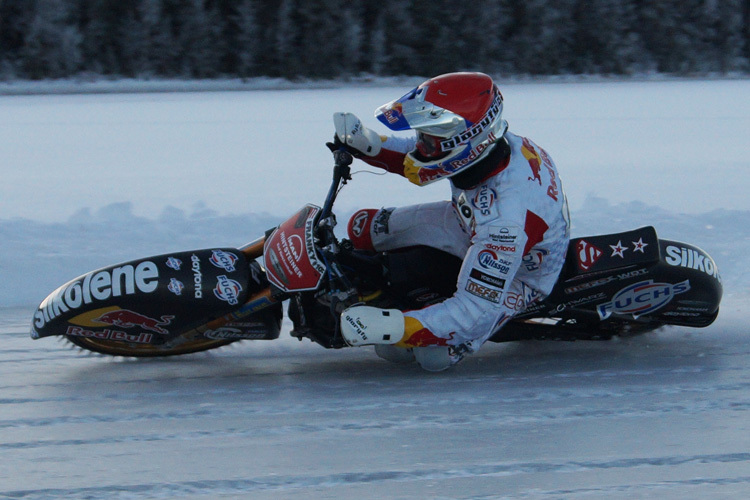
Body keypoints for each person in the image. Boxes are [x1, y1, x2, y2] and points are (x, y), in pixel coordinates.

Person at [334, 72, 570, 371]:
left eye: (430, 140)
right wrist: (368, 143)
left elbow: (473, 312)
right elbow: (419, 155)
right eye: (423, 136)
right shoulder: (489, 148)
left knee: (420, 355)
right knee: (365, 227)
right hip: (470, 222)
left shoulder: (505, 221)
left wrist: (396, 325)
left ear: (466, 142)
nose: (422, 145)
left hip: (522, 273)